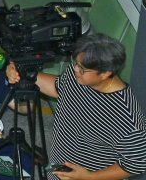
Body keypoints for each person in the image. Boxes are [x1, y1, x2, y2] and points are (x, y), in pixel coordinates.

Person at [8, 33, 146, 180]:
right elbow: (58, 88)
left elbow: (137, 163)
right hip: (60, 167)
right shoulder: (80, 77)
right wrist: (20, 72)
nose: (75, 69)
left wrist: (90, 177)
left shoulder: (128, 120)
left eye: (81, 68)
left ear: (106, 73)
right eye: (75, 63)